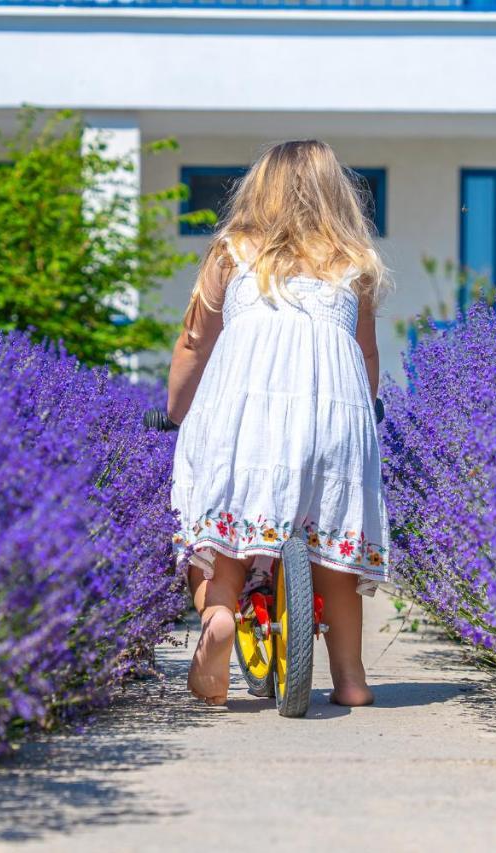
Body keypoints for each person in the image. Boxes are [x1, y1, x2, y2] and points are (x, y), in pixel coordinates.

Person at [166, 139, 392, 708]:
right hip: (333, 412)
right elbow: (365, 355)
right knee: (334, 547)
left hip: (242, 412)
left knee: (226, 536)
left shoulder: (231, 252)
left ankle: (218, 616)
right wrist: (360, 412)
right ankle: (351, 679)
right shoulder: (353, 262)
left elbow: (195, 343)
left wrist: (177, 409)